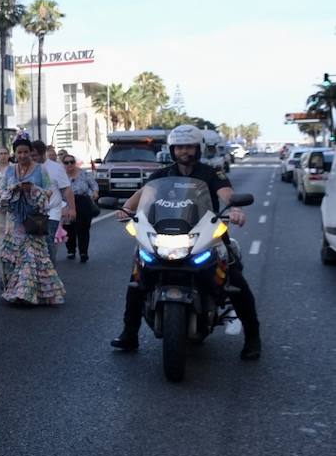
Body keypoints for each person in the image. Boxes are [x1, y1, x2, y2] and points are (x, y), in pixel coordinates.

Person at [111, 124, 260, 360]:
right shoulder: (161, 175)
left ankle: (253, 337)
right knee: (137, 279)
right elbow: (143, 194)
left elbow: (226, 194)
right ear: (172, 149)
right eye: (180, 147)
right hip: (164, 236)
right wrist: (126, 209)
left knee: (236, 281)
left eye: (189, 146)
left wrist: (235, 209)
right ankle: (130, 334)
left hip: (206, 236)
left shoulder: (211, 173)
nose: (184, 151)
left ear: (197, 148)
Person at [0, 138, 66, 307]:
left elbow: (49, 192)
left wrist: (33, 190)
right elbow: (2, 193)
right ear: (15, 153)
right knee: (13, 257)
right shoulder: (10, 171)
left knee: (30, 257)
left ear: (30, 152)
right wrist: (14, 190)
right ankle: (15, 291)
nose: (22, 155)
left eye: (25, 152)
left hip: (33, 220)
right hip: (13, 222)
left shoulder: (40, 170)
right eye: (19, 152)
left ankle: (25, 294)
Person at [33, 141, 75, 263]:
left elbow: (67, 189)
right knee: (34, 242)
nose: (32, 158)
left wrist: (72, 208)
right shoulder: (30, 167)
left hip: (52, 211)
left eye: (35, 155)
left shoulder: (56, 168)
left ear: (42, 154)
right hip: (34, 212)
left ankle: (50, 270)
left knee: (48, 240)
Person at [62, 154, 98, 262]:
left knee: (83, 228)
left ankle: (83, 252)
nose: (69, 164)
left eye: (71, 162)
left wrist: (95, 193)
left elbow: (94, 185)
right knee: (69, 228)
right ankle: (71, 250)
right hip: (67, 203)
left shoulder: (84, 174)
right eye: (66, 162)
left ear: (75, 162)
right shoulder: (62, 176)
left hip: (83, 201)